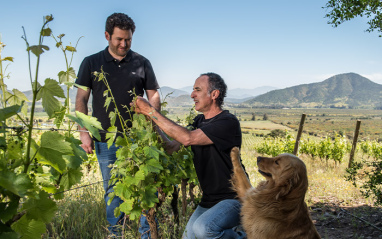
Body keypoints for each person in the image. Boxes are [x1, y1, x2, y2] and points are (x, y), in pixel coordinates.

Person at [75, 13, 160, 238]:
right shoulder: (91, 62)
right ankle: (115, 234)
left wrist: (154, 123)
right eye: (119, 39)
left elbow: (154, 96)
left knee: (144, 188)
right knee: (113, 191)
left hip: (139, 140)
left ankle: (147, 234)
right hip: (105, 140)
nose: (124, 44)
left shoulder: (142, 62)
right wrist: (83, 132)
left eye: (128, 40)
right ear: (107, 36)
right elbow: (81, 99)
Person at [132, 72, 246, 238]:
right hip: (209, 201)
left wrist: (150, 111)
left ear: (214, 94)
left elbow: (188, 138)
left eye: (197, 90)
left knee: (204, 229)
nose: (192, 95)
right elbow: (171, 147)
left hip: (234, 198)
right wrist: (152, 122)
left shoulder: (228, 122)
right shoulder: (198, 122)